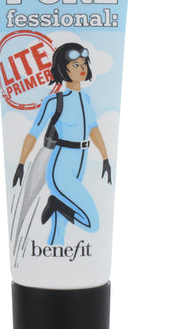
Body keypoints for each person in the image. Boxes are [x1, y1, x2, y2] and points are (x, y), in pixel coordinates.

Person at [12, 42, 112, 245]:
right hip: (61, 168)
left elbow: (94, 130)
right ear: (63, 69)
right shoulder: (54, 101)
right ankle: (55, 204)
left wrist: (105, 158)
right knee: (92, 222)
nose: (82, 68)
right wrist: (21, 164)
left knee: (59, 228)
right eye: (75, 65)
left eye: (83, 63)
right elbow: (33, 134)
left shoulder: (86, 100)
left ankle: (55, 249)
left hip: (80, 165)